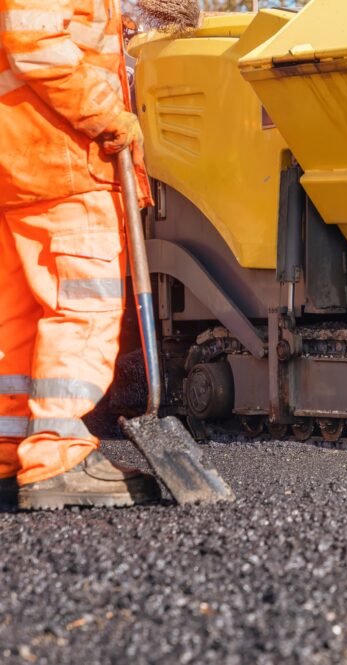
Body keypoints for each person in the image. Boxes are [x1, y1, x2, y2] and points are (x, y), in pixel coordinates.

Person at [0, 0, 160, 509]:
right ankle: (59, 454)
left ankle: (11, 451)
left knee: (20, 316)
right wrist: (106, 113)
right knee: (82, 304)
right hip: (64, 158)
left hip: (19, 162)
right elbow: (35, 41)